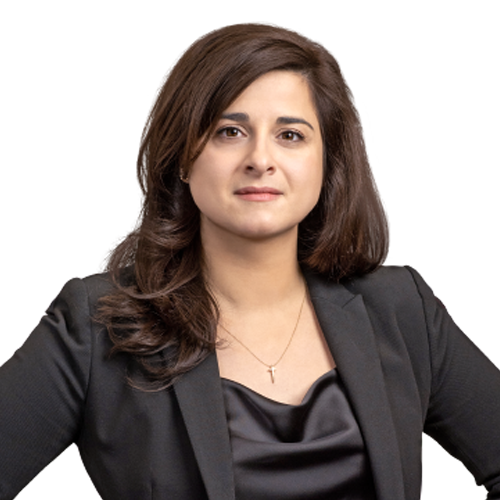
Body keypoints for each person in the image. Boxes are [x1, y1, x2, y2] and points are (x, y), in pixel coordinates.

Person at [1, 21, 499, 500]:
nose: (260, 159)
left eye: (290, 135)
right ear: (183, 156)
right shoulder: (95, 325)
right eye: (229, 132)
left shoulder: (402, 310)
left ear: (327, 161)